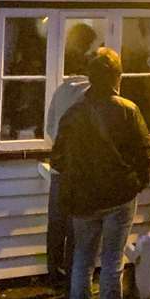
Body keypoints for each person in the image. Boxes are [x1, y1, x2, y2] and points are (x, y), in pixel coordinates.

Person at [49, 48, 150, 299]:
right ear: (117, 77)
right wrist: (135, 183)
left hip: (84, 198)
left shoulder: (74, 114)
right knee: (111, 261)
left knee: (82, 260)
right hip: (118, 196)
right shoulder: (127, 110)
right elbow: (144, 153)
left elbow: (58, 157)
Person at [43, 44, 92, 286]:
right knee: (77, 226)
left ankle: (53, 271)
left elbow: (49, 126)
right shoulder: (93, 94)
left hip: (60, 166)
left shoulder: (61, 91)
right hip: (83, 169)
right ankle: (73, 276)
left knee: (56, 223)